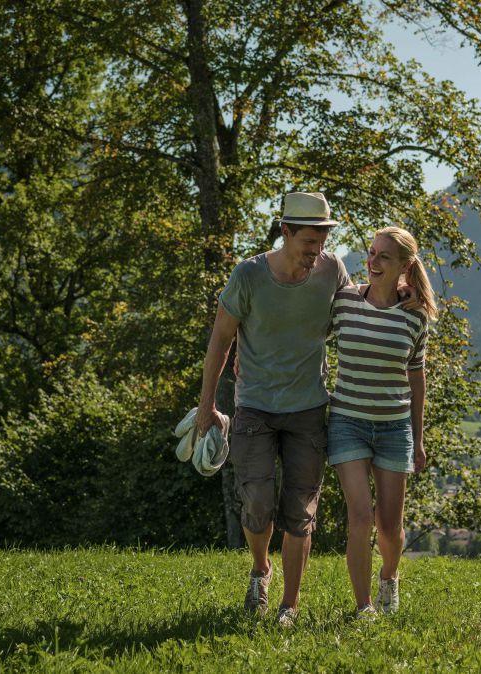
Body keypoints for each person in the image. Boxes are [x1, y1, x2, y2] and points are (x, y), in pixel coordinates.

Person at [196, 192, 350, 627]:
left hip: (307, 410)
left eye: (321, 242)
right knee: (258, 501)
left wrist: (397, 290)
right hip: (255, 409)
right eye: (307, 243)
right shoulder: (248, 276)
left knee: (301, 511)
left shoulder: (332, 270)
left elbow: (356, 312)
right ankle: (261, 569)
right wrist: (207, 405)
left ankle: (289, 604)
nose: (315, 252)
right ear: (284, 232)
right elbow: (220, 339)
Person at [327, 226, 436, 618]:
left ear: (404, 266)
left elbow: (417, 379)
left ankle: (389, 578)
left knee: (389, 527)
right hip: (347, 422)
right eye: (371, 253)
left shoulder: (415, 319)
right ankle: (364, 607)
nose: (372, 262)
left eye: (383, 257)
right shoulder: (343, 303)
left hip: (393, 428)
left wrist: (418, 438)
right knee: (359, 517)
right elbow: (303, 336)